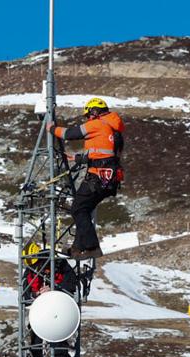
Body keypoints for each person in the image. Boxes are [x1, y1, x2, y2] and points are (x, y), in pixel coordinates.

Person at [49, 98, 124, 259]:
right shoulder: (112, 129)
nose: (87, 119)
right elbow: (102, 154)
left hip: (97, 178)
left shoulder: (97, 124)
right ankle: (77, 248)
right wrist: (78, 159)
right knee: (83, 209)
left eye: (88, 115)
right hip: (109, 180)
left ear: (94, 112)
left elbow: (69, 134)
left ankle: (92, 247)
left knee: (78, 208)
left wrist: (51, 128)